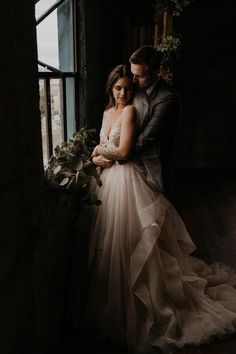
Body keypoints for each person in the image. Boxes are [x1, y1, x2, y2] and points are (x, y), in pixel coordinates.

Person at [85, 63, 236, 354]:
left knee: (136, 244)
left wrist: (96, 152)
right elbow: (103, 143)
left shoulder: (130, 111)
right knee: (111, 245)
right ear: (110, 88)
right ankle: (115, 303)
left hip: (127, 181)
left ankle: (146, 304)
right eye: (118, 88)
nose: (123, 93)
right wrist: (94, 158)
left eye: (128, 88)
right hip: (107, 181)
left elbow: (125, 152)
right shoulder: (106, 113)